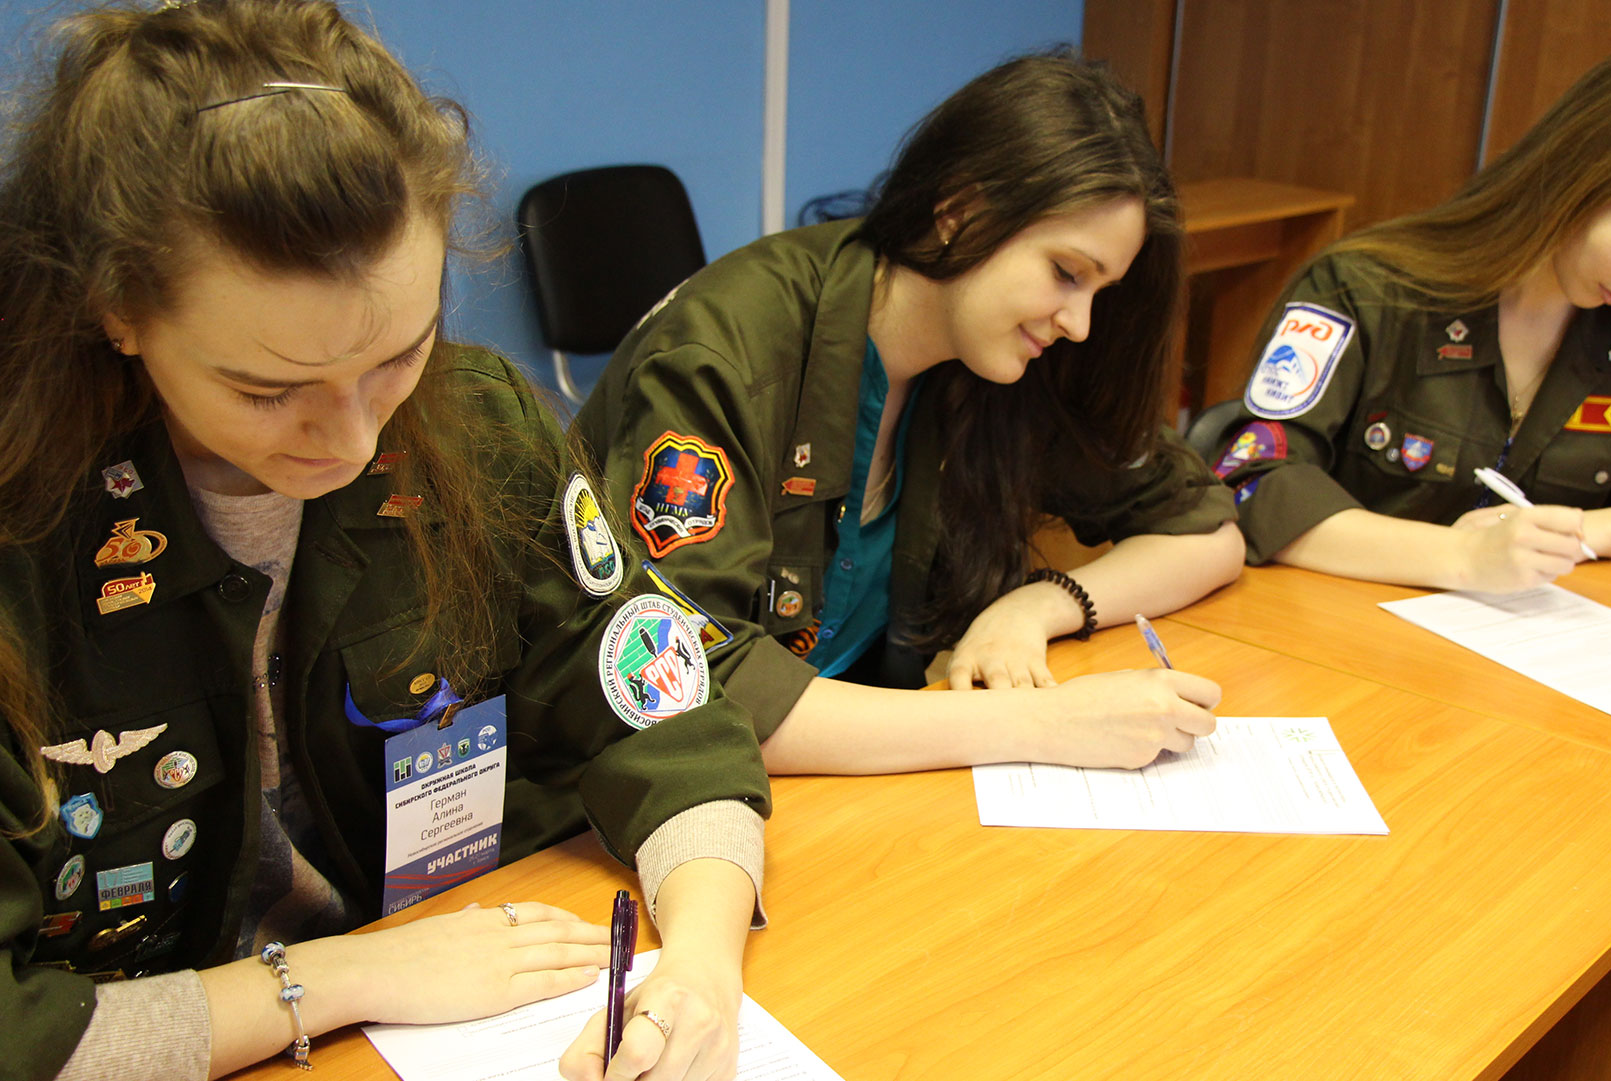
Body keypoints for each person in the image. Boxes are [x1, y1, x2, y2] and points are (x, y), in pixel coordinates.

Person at [0, 4, 768, 1080]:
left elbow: (664, 708)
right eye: (268, 390)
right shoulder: (25, 531)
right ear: (116, 307)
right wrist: (348, 977)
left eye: (399, 355)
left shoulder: (476, 426)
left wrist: (702, 965)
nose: (355, 440)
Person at [574, 54, 1243, 775]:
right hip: (631, 796)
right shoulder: (724, 352)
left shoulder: (997, 358)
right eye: (1066, 273)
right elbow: (679, 697)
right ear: (959, 213)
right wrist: (1041, 724)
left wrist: (1037, 606)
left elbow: (1208, 532)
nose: (1079, 323)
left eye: (1098, 292)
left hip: (843, 778)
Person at [1207, 40, 1611, 593]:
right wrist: (1461, 557)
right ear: (1577, 177)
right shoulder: (1364, 292)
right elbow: (1253, 479)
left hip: (1526, 655)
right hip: (1333, 631)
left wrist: (1578, 532)